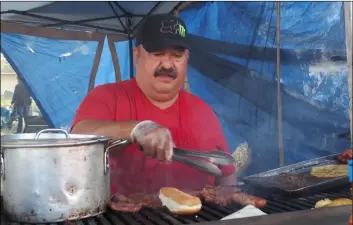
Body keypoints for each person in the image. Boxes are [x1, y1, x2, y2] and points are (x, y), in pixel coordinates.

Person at [71, 14, 236, 195]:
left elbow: (226, 174)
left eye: (177, 55)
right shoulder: (107, 97)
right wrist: (135, 130)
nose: (167, 64)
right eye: (157, 54)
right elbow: (78, 135)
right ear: (136, 55)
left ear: (187, 58)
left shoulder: (202, 112)